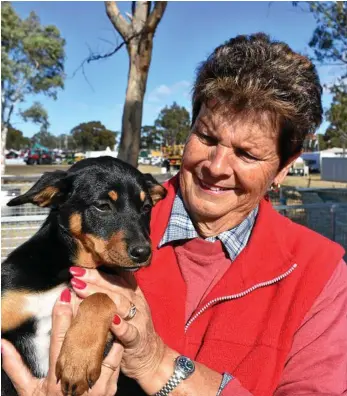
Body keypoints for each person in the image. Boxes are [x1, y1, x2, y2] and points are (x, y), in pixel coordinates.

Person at [2, 33, 347, 396]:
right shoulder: (99, 233)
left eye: (246, 154)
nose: (216, 167)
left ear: (282, 168)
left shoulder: (320, 275)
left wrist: (157, 362)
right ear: (190, 126)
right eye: (207, 137)